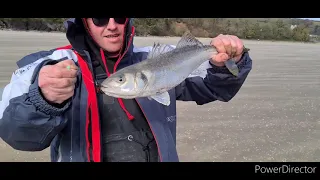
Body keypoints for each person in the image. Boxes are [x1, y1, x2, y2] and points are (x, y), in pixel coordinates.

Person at [0, 18, 252, 162]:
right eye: (99, 17)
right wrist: (42, 100)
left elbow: (211, 88)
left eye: (119, 16)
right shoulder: (47, 67)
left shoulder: (158, 57)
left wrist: (231, 62)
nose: (111, 26)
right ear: (84, 22)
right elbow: (17, 137)